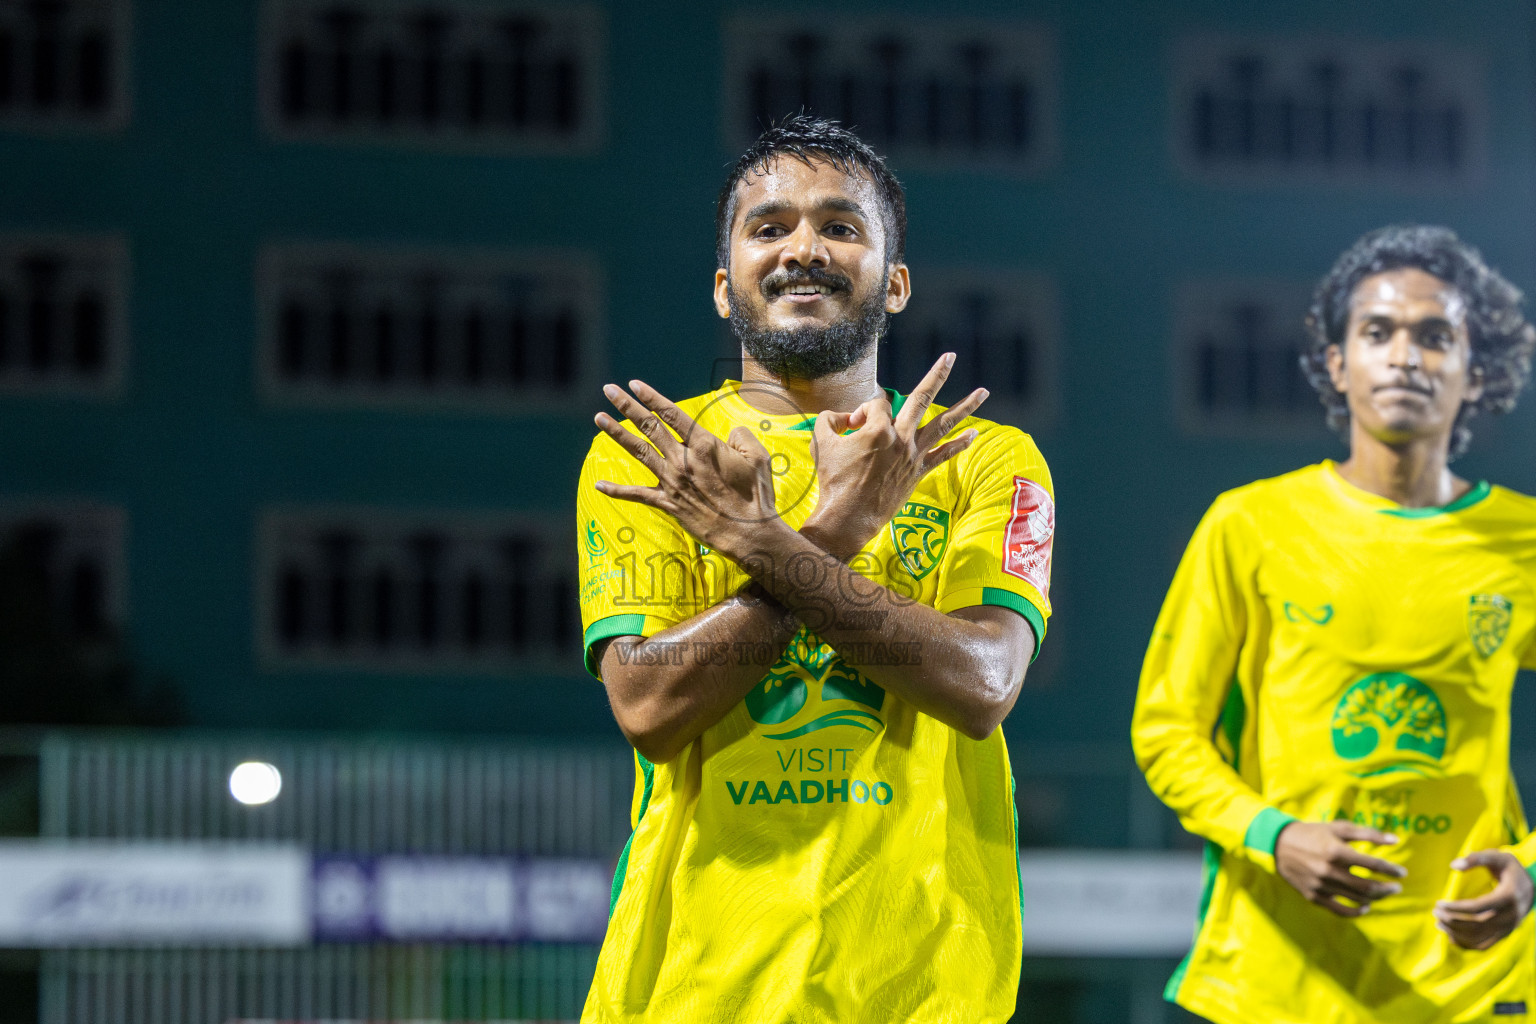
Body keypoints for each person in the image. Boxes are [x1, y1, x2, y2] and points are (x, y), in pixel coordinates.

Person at [574, 115, 1053, 1023]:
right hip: (690, 984)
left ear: (896, 282)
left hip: (924, 984)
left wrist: (766, 544)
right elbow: (649, 708)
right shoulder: (656, 456)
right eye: (769, 227)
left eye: (841, 226)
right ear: (725, 287)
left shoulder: (987, 457)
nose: (804, 249)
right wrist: (836, 530)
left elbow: (982, 683)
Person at [1133, 224, 1536, 1023]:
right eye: (1378, 332)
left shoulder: (1523, 540)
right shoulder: (1249, 524)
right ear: (1338, 364)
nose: (1406, 356)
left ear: (1473, 370)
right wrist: (1274, 834)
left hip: (1470, 978)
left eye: (1435, 335)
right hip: (1279, 976)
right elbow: (1168, 730)